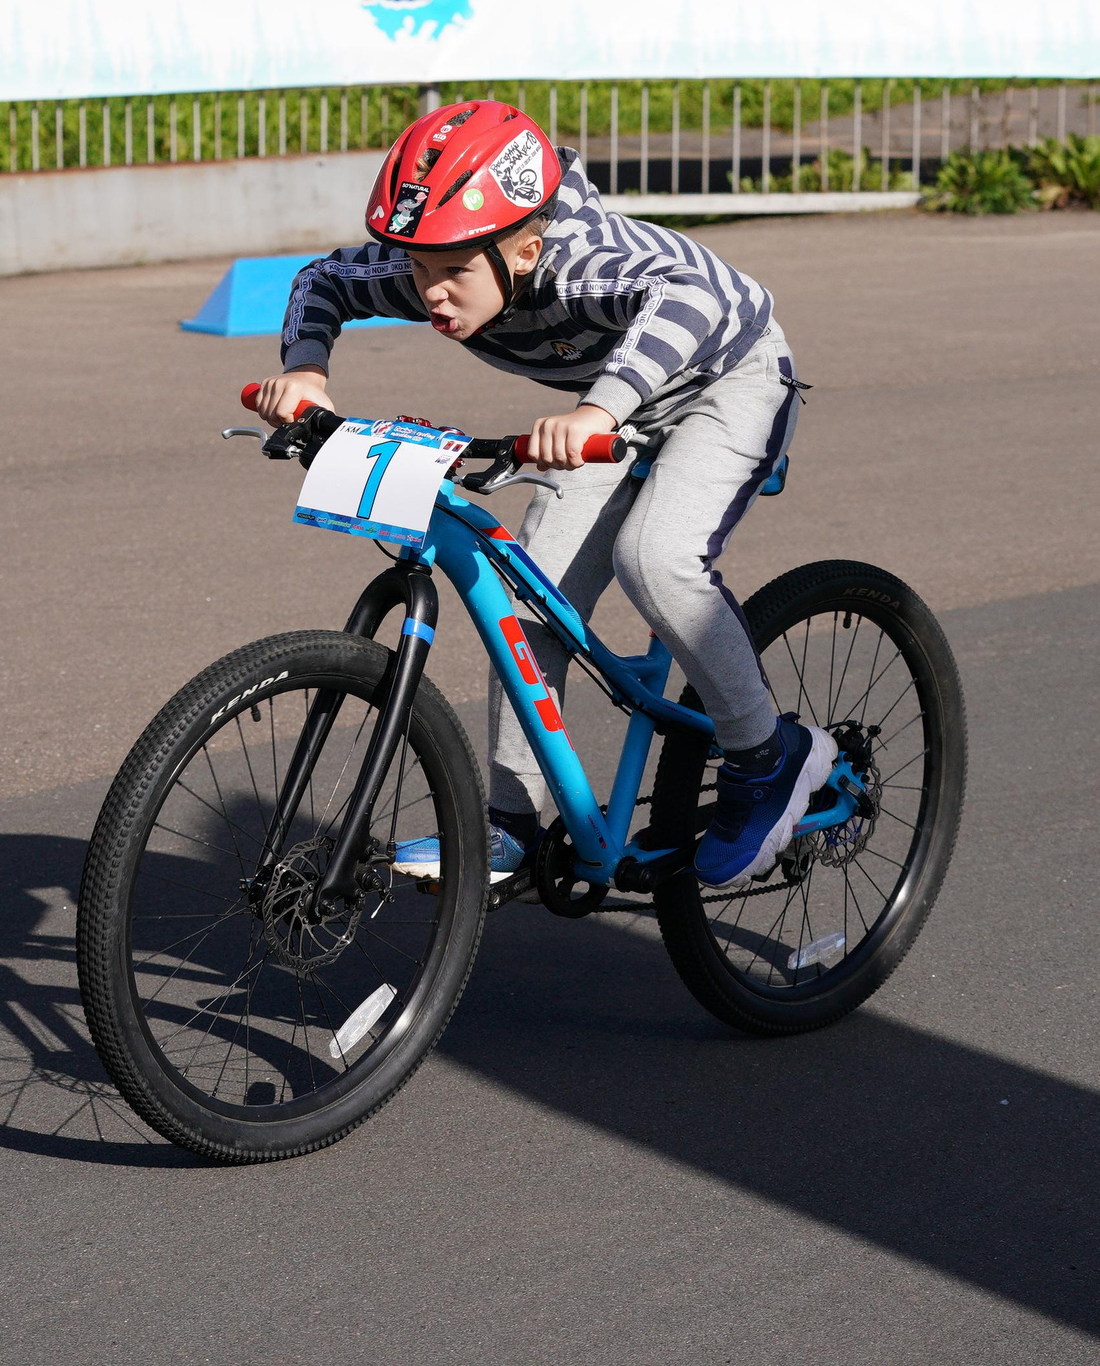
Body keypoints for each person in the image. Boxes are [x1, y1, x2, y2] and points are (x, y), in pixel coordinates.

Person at [249, 99, 831, 891]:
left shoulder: (582, 262)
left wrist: (600, 407)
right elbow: (324, 279)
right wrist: (308, 370)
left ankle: (768, 754)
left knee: (654, 558)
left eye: (451, 273)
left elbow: (694, 295)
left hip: (727, 377)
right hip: (608, 400)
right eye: (418, 270)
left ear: (524, 249)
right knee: (527, 603)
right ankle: (510, 824)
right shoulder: (447, 261)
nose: (431, 295)